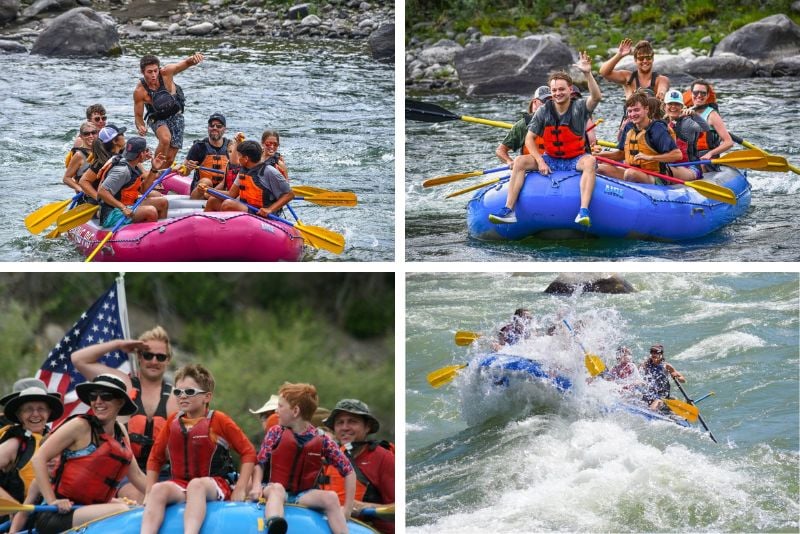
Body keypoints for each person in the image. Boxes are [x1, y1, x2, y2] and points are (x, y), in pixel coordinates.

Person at [12, 374, 145, 534]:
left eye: (106, 396)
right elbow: (38, 458)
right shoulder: (80, 426)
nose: (98, 401)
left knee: (130, 507)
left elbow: (137, 475)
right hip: (57, 515)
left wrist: (158, 494)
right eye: (93, 396)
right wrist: (53, 501)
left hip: (86, 509)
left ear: (120, 402)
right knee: (121, 509)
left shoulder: (121, 432)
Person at [489, 51, 601, 226]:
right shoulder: (543, 111)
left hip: (575, 159)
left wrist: (587, 73)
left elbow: (596, 97)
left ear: (570, 90)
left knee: (591, 161)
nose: (557, 93)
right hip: (551, 159)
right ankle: (509, 210)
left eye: (561, 89)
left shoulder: (579, 107)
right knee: (519, 161)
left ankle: (583, 210)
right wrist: (540, 161)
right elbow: (529, 139)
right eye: (554, 90)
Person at [140, 364, 255, 534]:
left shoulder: (219, 420)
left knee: (196, 485)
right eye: (178, 392)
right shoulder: (172, 421)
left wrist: (240, 487)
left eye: (189, 391)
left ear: (207, 397)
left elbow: (248, 452)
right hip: (182, 485)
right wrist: (148, 492)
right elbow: (155, 458)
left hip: (215, 483)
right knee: (158, 489)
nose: (182, 396)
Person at [71, 326, 178, 502]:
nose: (154, 361)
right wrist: (118, 344)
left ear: (168, 360)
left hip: (163, 473)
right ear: (139, 356)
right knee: (138, 495)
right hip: (124, 470)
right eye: (147, 355)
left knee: (170, 495)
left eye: (160, 357)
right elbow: (78, 359)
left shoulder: (176, 397)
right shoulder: (122, 385)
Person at [249, 382, 354, 534]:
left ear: (295, 411)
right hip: (273, 489)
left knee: (331, 497)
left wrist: (348, 508)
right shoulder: (276, 432)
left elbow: (349, 471)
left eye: (280, 406)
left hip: (303, 495)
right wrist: (256, 486)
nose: (276, 411)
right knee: (278, 489)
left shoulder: (323, 440)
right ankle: (275, 523)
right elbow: (260, 463)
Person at [319, 399, 394, 534]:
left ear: (367, 427)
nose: (345, 427)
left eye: (352, 421)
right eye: (340, 423)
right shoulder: (330, 457)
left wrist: (365, 506)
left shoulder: (383, 458)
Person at [0, 385, 63, 516]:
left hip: (52, 511)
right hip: (18, 518)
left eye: (41, 409)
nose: (35, 414)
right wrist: (13, 506)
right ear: (19, 415)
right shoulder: (14, 444)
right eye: (28, 409)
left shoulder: (58, 439)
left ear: (49, 412)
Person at [133, 52, 204, 167]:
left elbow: (186, 63)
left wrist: (194, 58)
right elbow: (138, 116)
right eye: (149, 72)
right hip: (157, 117)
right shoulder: (140, 91)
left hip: (176, 115)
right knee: (165, 139)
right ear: (142, 72)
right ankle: (154, 171)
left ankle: (159, 176)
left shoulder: (167, 72)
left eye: (155, 71)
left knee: (170, 159)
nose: (154, 75)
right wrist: (140, 126)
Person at [595, 91, 682, 184]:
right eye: (630, 111)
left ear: (646, 109)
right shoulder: (629, 127)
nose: (632, 114)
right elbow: (621, 154)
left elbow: (677, 155)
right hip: (630, 171)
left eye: (636, 110)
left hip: (654, 176)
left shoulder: (657, 128)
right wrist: (598, 155)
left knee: (630, 174)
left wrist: (650, 158)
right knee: (599, 168)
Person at [201, 140, 293, 218]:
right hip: (247, 208)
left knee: (228, 204)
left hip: (261, 213)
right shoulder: (243, 171)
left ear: (246, 158)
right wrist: (209, 190)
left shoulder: (269, 171)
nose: (237, 158)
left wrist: (270, 209)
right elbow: (231, 194)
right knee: (212, 200)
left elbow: (289, 194)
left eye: (239, 155)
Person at [97, 136, 168, 228]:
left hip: (129, 204)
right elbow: (102, 192)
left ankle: (162, 231)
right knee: (151, 211)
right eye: (146, 151)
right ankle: (148, 234)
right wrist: (123, 208)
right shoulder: (122, 171)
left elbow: (143, 190)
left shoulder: (134, 165)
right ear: (141, 154)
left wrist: (154, 169)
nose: (147, 153)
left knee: (163, 202)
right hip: (111, 213)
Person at [179, 113, 232, 199]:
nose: (214, 128)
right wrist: (188, 168)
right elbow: (183, 173)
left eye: (219, 126)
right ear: (208, 128)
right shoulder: (198, 147)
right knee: (206, 182)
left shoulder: (231, 147)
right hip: (202, 190)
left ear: (224, 129)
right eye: (211, 125)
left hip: (223, 191)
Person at [599, 38, 670, 103]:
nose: (645, 61)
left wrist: (661, 93)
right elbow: (604, 72)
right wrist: (619, 55)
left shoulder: (661, 80)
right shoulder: (627, 77)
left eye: (648, 58)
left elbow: (662, 88)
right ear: (636, 60)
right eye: (641, 58)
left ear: (653, 59)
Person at [495, 86, 551, 166]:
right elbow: (500, 150)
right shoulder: (523, 125)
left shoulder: (563, 120)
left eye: (551, 100)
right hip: (531, 168)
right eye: (544, 101)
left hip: (557, 166)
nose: (548, 104)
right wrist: (510, 162)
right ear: (535, 102)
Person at [663, 89, 710, 182]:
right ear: (664, 106)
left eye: (677, 104)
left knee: (665, 170)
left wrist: (695, 115)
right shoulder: (662, 123)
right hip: (669, 164)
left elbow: (706, 128)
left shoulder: (687, 122)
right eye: (670, 104)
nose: (673, 107)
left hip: (690, 166)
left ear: (682, 107)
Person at [684, 79, 733, 165]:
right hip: (689, 157)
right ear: (691, 94)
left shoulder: (712, 115)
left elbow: (728, 142)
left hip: (706, 159)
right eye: (696, 92)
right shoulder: (685, 112)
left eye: (703, 93)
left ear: (707, 95)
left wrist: (710, 153)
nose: (699, 95)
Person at [78, 123, 128, 203]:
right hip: (100, 202)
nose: (124, 136)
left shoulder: (123, 155)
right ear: (115, 141)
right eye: (121, 134)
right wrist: (100, 199)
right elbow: (83, 182)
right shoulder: (103, 161)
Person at [640, 344, 685, 411]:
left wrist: (677, 377)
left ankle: (667, 402)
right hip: (651, 392)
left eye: (656, 352)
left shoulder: (666, 366)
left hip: (662, 394)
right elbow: (637, 372)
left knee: (652, 409)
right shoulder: (646, 364)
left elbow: (683, 380)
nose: (654, 354)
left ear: (661, 354)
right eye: (652, 352)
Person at [62, 122, 97, 194]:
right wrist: (80, 189)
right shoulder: (79, 155)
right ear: (81, 136)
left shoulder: (101, 151)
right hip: (86, 196)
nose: (91, 136)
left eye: (93, 133)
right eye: (86, 134)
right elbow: (66, 178)